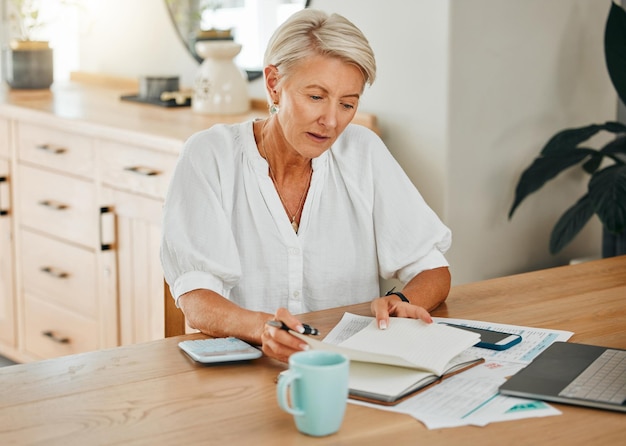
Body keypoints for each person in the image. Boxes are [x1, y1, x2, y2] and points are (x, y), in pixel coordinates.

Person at [161, 8, 452, 363]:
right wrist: (262, 328)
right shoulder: (209, 156)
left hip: (345, 371)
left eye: (348, 104)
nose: (331, 121)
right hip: (242, 374)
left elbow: (432, 267)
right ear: (274, 84)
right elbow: (196, 298)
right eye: (315, 97)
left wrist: (404, 303)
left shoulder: (364, 152)